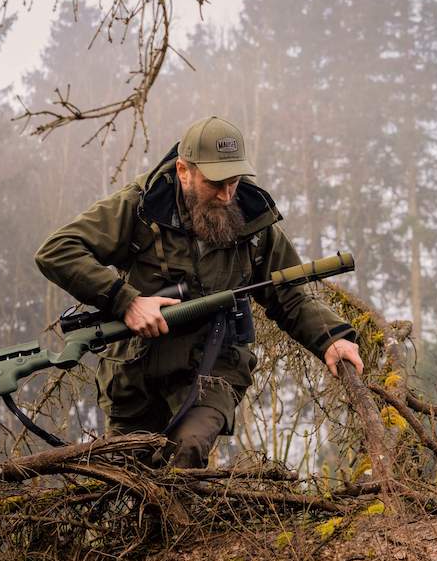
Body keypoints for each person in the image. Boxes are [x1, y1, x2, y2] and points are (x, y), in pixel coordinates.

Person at [35, 115, 364, 468]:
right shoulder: (140, 207)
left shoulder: (255, 221)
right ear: (183, 171)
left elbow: (290, 294)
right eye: (214, 183)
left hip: (211, 367)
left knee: (187, 449)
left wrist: (333, 338)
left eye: (234, 182)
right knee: (127, 472)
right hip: (134, 371)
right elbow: (57, 251)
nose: (226, 195)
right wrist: (125, 300)